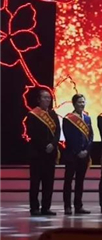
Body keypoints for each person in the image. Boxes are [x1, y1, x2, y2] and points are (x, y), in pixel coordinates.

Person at [26, 88, 60, 216]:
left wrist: (53, 144)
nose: (47, 100)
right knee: (35, 182)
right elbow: (32, 133)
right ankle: (34, 208)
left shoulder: (53, 114)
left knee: (48, 182)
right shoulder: (32, 114)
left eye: (49, 98)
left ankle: (46, 207)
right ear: (39, 100)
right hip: (37, 153)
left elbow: (57, 132)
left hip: (50, 154)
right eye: (45, 97)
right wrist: (45, 145)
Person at [62, 93, 93, 215]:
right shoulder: (68, 118)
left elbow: (91, 136)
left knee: (80, 182)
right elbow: (68, 136)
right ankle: (67, 206)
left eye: (83, 102)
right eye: (79, 102)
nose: (82, 104)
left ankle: (78, 206)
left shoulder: (87, 118)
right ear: (74, 104)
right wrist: (77, 151)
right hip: (72, 155)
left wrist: (86, 151)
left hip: (84, 155)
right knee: (68, 182)